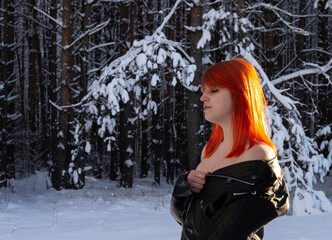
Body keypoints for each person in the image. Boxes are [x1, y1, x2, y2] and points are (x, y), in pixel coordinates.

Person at [170, 58, 289, 240]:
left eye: (214, 90)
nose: (203, 97)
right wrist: (184, 187)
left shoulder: (259, 153)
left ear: (240, 94)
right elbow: (189, 222)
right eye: (204, 91)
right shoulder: (207, 151)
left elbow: (278, 202)